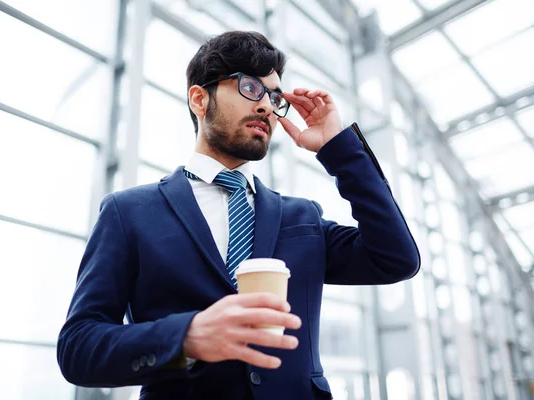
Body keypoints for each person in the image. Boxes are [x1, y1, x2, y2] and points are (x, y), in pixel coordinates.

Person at [57, 31, 420, 400]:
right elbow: (78, 347)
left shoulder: (302, 217)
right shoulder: (128, 212)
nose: (267, 106)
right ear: (199, 99)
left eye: (276, 97)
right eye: (250, 87)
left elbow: (396, 259)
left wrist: (340, 148)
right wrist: (186, 337)